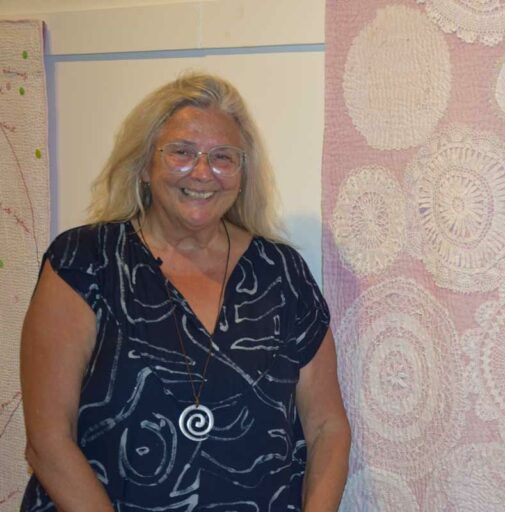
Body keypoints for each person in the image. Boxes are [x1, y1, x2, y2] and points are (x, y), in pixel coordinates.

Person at [20, 73, 350, 511]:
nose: (202, 172)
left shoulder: (282, 273)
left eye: (222, 157)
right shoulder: (85, 262)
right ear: (144, 164)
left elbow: (328, 426)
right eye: (181, 152)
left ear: (241, 172)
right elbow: (47, 442)